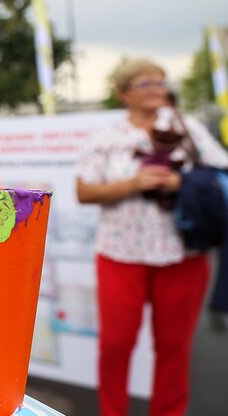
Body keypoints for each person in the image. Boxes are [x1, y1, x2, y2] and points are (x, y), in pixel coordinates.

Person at [76, 58, 228, 416]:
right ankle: (112, 411)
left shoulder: (187, 126)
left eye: (160, 82)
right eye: (146, 83)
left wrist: (183, 182)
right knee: (116, 345)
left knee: (174, 348)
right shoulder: (107, 136)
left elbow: (221, 170)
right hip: (120, 254)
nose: (157, 89)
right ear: (124, 92)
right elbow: (83, 191)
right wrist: (132, 184)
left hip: (182, 255)